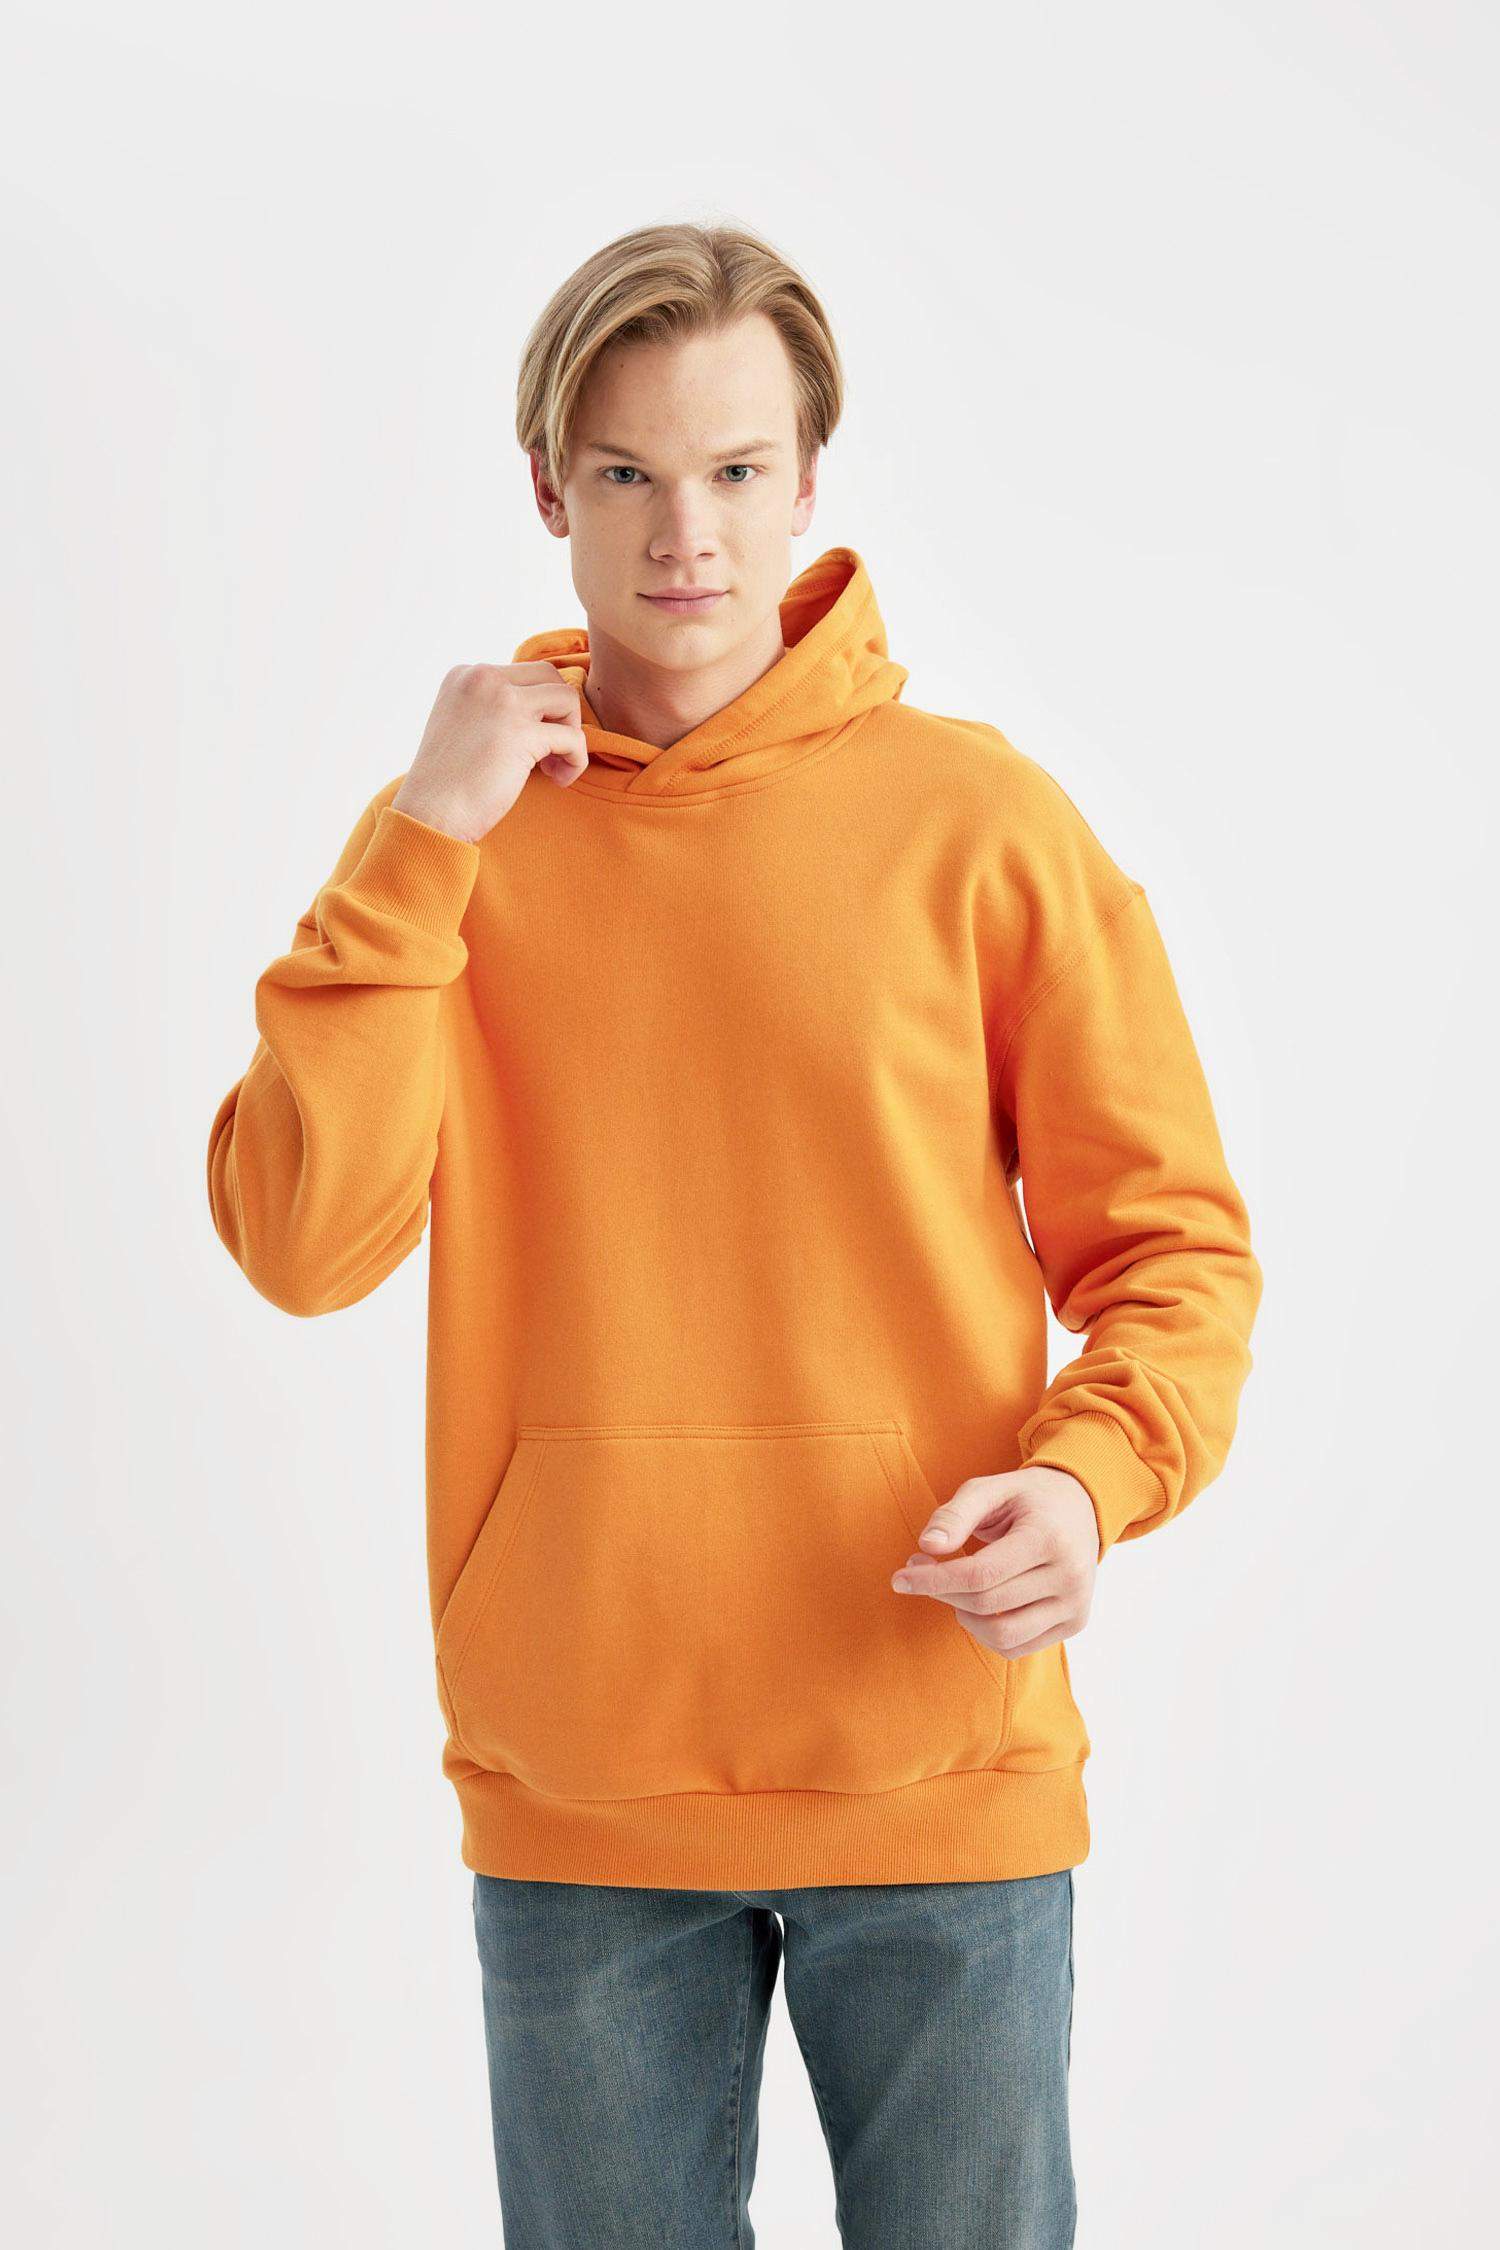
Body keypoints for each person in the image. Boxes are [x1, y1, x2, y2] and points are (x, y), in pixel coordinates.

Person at [206, 220, 1263, 2247]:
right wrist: (423, 844)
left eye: (734, 470)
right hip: (584, 1775)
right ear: (548, 490)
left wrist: (1091, 1479)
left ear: (807, 481)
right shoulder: (447, 841)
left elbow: (1171, 1249)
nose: (684, 532)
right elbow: (300, 1238)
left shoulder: (981, 826)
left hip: (931, 1743)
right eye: (626, 472)